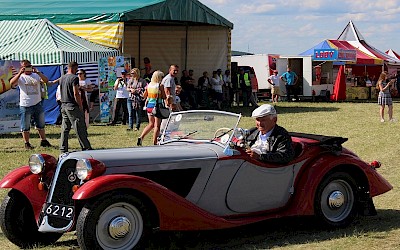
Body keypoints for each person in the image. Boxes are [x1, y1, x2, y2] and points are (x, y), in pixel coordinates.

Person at [9, 59, 53, 150]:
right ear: (22, 67)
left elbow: (46, 80)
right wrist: (20, 73)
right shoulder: (20, 77)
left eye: (28, 66)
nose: (27, 68)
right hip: (25, 104)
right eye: (24, 66)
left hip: (37, 103)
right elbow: (12, 83)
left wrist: (38, 72)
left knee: (40, 124)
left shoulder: (36, 75)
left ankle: (43, 140)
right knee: (25, 125)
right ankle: (27, 143)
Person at [58, 61, 92, 153]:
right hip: (72, 106)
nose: (77, 71)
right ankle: (86, 147)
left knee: (65, 129)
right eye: (76, 69)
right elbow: (76, 93)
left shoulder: (62, 78)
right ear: (74, 68)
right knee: (79, 127)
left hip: (64, 105)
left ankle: (63, 148)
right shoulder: (74, 78)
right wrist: (80, 105)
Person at [137, 70, 166, 146]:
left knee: (151, 124)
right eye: (162, 77)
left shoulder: (149, 85)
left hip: (149, 106)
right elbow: (164, 96)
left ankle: (141, 137)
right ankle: (155, 142)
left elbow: (144, 96)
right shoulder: (160, 85)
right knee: (157, 125)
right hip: (157, 106)